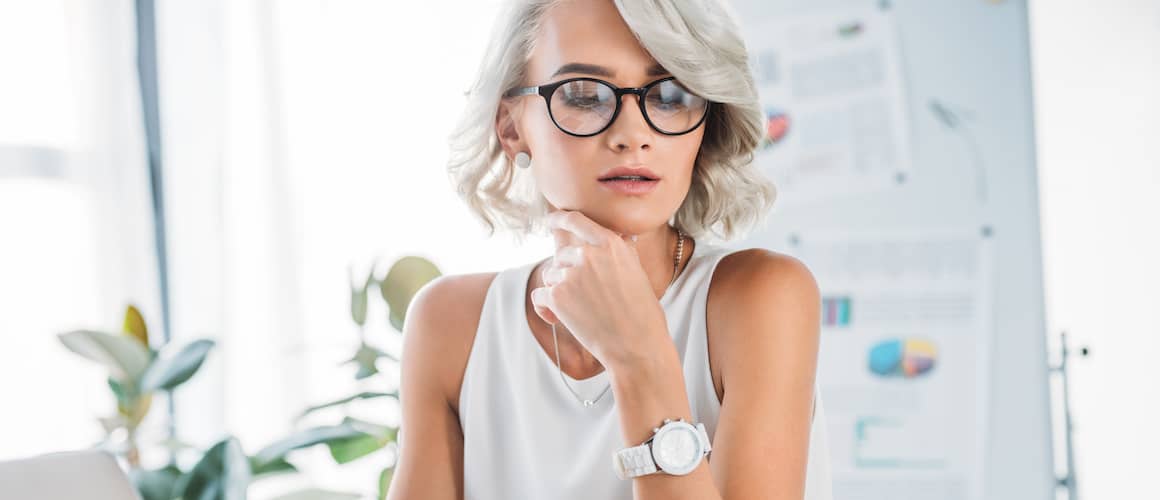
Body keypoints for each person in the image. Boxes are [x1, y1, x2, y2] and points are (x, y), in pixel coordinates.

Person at [387, 1, 832, 499]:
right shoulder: (449, 325)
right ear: (511, 127)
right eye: (583, 95)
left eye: (670, 94)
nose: (632, 134)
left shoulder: (760, 298)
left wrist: (638, 358)